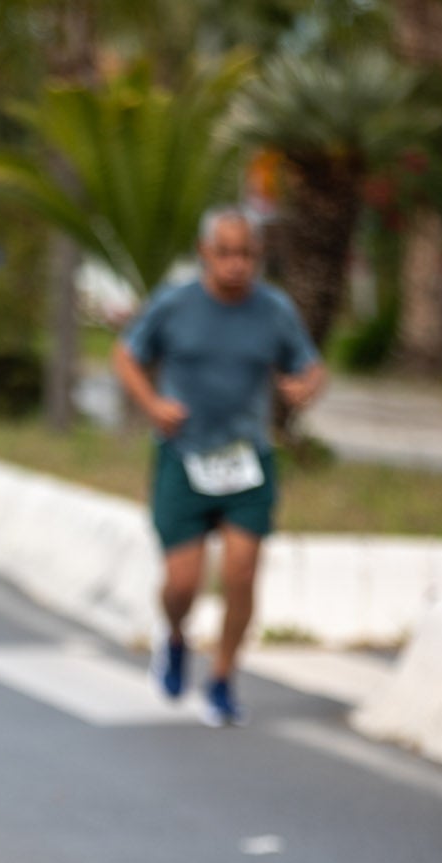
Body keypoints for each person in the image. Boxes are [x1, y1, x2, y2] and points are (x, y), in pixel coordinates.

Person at [111, 206, 327, 726]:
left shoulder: (273, 310)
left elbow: (310, 365)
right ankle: (177, 637)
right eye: (225, 252)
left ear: (258, 256)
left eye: (247, 253)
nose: (236, 264)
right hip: (184, 458)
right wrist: (153, 406)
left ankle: (225, 676)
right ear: (205, 253)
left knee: (241, 571)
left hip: (246, 460)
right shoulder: (175, 304)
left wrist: (305, 388)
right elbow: (125, 355)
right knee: (183, 582)